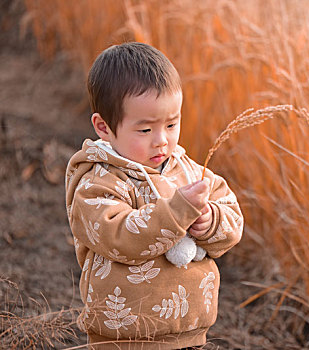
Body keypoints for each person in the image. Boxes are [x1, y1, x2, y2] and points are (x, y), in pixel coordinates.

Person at [65, 42, 243, 349]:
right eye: (145, 130)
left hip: (191, 332)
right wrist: (175, 213)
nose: (162, 141)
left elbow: (232, 217)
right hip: (123, 337)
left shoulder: (189, 171)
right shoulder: (98, 183)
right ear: (104, 127)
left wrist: (211, 221)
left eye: (172, 124)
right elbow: (118, 236)